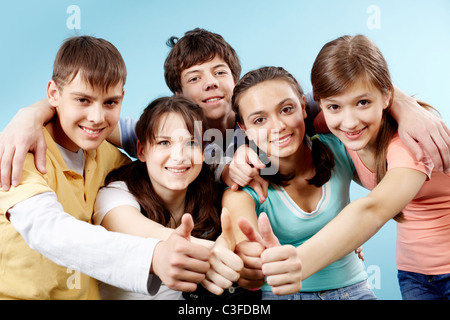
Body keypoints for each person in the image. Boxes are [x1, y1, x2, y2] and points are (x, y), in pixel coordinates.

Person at [0, 36, 212, 300]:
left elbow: (163, 142)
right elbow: (50, 232)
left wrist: (228, 169)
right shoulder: (18, 152)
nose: (97, 118)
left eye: (110, 102)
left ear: (122, 98)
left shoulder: (108, 156)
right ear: (53, 94)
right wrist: (153, 256)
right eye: (83, 100)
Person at [294, 34, 450, 300]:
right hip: (414, 272)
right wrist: (234, 159)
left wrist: (295, 264)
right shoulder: (334, 119)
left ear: (385, 96)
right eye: (334, 106)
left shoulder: (409, 141)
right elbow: (277, 115)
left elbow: (372, 210)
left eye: (363, 103)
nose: (350, 122)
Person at [222, 66, 376, 300]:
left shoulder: (339, 146)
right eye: (260, 119)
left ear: (303, 106)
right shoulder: (241, 192)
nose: (278, 126)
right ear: (245, 129)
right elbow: (249, 274)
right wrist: (249, 266)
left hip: (355, 291)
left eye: (286, 109)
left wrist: (407, 108)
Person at [92, 95, 242, 299]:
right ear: (142, 151)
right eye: (164, 142)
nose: (179, 156)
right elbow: (145, 231)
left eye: (191, 143)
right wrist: (216, 251)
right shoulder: (116, 194)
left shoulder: (211, 187)